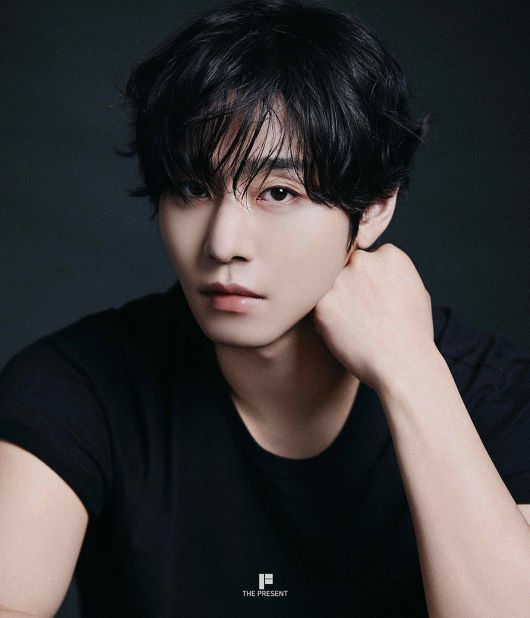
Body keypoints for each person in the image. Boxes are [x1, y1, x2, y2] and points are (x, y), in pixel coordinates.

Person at [0, 0, 529, 616]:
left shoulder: (496, 393)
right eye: (192, 187)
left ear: (374, 208)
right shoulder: (77, 386)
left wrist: (412, 373)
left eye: (279, 192)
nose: (222, 243)